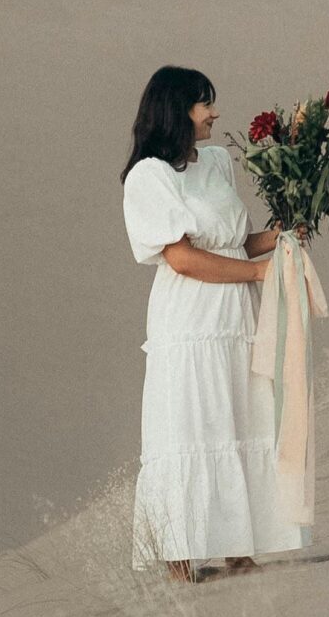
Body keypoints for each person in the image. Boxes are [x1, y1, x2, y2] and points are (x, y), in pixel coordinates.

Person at [120, 65, 304, 580]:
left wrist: (281, 235)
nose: (215, 113)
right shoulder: (149, 176)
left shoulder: (218, 162)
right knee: (191, 425)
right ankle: (181, 563)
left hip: (236, 316)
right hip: (191, 321)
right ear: (177, 111)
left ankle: (239, 549)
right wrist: (256, 272)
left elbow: (233, 239)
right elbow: (181, 257)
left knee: (241, 417)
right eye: (205, 104)